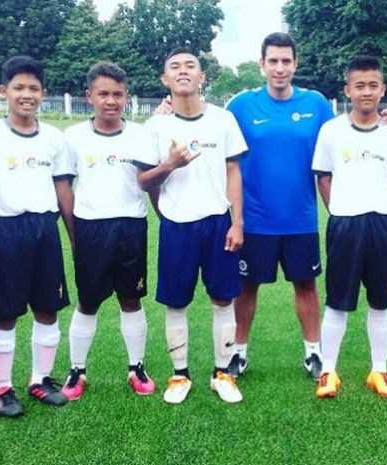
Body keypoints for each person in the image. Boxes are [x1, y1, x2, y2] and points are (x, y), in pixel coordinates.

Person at [226, 32, 387, 380]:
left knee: (306, 286)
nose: (279, 68)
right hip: (255, 219)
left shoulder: (316, 105)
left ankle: (314, 354)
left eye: (286, 61)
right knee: (246, 288)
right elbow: (214, 134)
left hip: (301, 219)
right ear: (262, 64)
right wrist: (168, 107)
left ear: (295, 64)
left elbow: (349, 129)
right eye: (272, 61)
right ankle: (237, 353)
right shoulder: (241, 106)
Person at [135, 48, 247, 404]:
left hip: (217, 223)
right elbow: (143, 180)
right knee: (176, 302)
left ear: (202, 77)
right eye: (174, 67)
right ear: (164, 80)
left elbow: (233, 170)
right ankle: (179, 375)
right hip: (177, 225)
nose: (183, 72)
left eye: (190, 66)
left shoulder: (223, 120)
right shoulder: (155, 126)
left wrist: (237, 221)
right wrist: (169, 164)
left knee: (223, 298)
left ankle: (222, 373)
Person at [0, 55, 73, 417]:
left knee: (47, 309)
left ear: (43, 93)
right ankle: (3, 388)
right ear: (3, 91)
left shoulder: (53, 137)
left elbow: (63, 188)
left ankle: (40, 378)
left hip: (44, 230)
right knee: (5, 313)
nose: (27, 94)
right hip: (3, 231)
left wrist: (74, 236)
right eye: (18, 87)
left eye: (33, 88)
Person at [312, 55, 387, 399]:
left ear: (382, 89)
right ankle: (328, 371)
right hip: (344, 225)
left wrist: (379, 204)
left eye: (373, 85)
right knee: (337, 301)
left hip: (381, 224)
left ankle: (378, 370)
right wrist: (338, 209)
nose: (366, 92)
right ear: (347, 89)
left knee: (381, 302)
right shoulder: (331, 131)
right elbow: (323, 176)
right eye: (359, 85)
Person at [60, 62, 155, 401]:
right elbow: (64, 188)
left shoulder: (140, 134)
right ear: (89, 97)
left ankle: (137, 366)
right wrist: (74, 234)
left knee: (131, 299)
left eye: (117, 94)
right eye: (103, 94)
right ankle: (76, 370)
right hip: (90, 228)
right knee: (87, 301)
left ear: (126, 96)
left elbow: (148, 181)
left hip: (130, 226)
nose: (111, 101)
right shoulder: (72, 137)